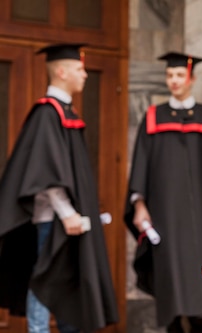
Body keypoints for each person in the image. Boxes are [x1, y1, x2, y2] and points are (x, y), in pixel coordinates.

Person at [0, 43, 119, 332]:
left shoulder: (66, 112)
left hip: (67, 220)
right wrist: (67, 213)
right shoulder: (47, 113)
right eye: (80, 69)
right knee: (44, 281)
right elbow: (45, 171)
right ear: (62, 71)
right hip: (53, 220)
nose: (86, 75)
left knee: (68, 283)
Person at [124, 51, 202, 333]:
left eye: (179, 75)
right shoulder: (153, 117)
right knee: (169, 279)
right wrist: (139, 205)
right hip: (165, 214)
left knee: (200, 277)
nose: (174, 80)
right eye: (169, 75)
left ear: (191, 79)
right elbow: (141, 165)